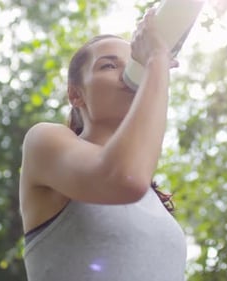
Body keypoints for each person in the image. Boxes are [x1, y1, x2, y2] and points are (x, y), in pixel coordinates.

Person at [19, 7, 186, 281]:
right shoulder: (45, 141)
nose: (127, 73)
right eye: (109, 65)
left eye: (134, 62)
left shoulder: (152, 195)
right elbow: (122, 178)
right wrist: (156, 58)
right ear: (75, 94)